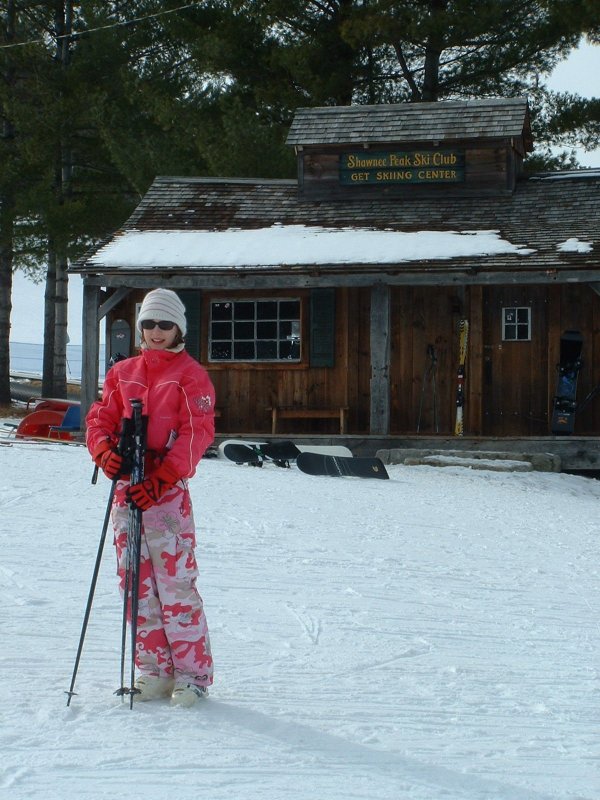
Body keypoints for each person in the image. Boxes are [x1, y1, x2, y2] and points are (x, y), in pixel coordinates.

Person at [86, 288, 216, 707]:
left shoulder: (191, 374)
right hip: (129, 487)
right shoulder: (123, 371)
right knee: (136, 585)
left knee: (175, 584)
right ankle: (155, 670)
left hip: (165, 491)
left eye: (165, 324)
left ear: (179, 327)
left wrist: (163, 478)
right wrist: (104, 451)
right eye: (148, 323)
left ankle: (192, 675)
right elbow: (100, 417)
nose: (156, 332)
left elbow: (198, 433)